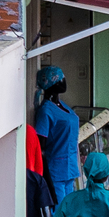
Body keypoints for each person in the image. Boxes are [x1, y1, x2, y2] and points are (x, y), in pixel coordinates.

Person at [33, 64, 79, 203]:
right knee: (59, 214)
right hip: (55, 173)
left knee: (68, 212)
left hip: (69, 169)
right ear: (51, 82)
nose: (64, 80)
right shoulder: (46, 110)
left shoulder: (62, 106)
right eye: (60, 78)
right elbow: (41, 149)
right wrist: (47, 180)